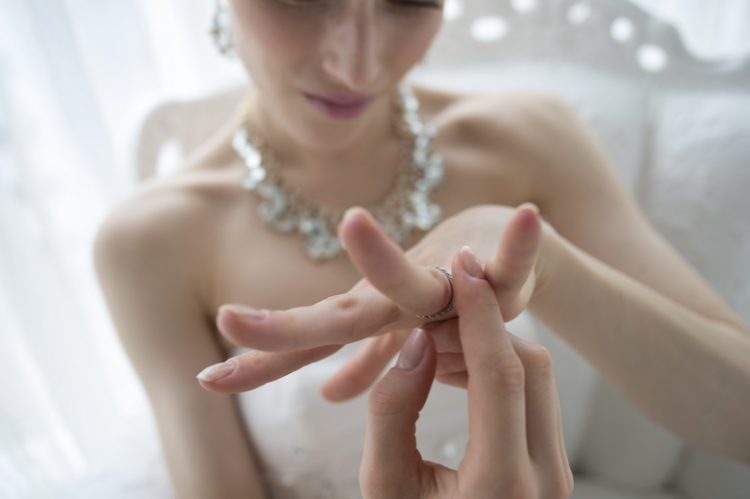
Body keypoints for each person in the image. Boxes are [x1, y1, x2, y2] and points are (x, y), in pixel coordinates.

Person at [92, 0, 750, 497]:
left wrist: (550, 267)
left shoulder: (530, 140)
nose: (357, 65)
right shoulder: (151, 243)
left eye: (407, 0)